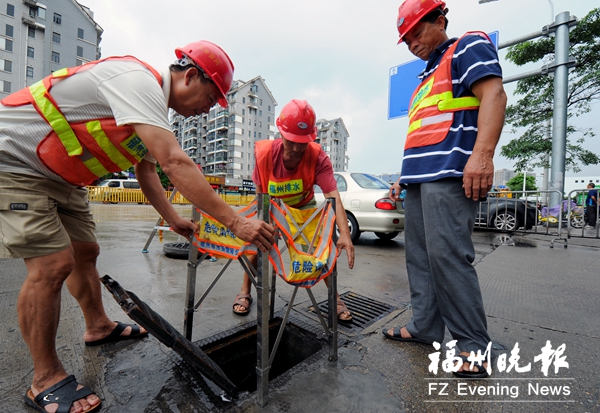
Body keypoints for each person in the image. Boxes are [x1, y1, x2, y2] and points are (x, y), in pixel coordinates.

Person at [0, 40, 275, 413]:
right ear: (191, 76)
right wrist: (236, 221)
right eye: (210, 100)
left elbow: (149, 171)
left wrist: (175, 220)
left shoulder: (149, 108)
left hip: (62, 178)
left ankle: (98, 326)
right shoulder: (136, 80)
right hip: (15, 161)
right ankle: (44, 379)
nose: (206, 111)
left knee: (86, 253)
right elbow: (175, 162)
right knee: (52, 266)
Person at [382, 0, 507, 379]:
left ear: (440, 19)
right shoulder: (424, 77)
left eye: (416, 32)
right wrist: (405, 175)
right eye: (406, 40)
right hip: (420, 179)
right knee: (419, 258)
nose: (412, 44)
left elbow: (494, 96)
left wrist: (483, 155)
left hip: (451, 173)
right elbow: (424, 131)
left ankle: (474, 346)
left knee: (448, 257)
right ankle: (425, 327)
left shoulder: (467, 46)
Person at [232, 99, 355, 322]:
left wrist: (344, 234)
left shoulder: (318, 157)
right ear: (281, 133)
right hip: (271, 206)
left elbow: (333, 196)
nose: (298, 148)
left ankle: (335, 298)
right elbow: (261, 198)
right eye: (292, 141)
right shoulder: (265, 154)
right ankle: (245, 291)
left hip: (303, 207)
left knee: (321, 246)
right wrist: (264, 223)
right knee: (256, 242)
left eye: (304, 142)